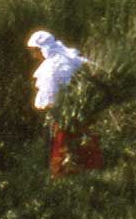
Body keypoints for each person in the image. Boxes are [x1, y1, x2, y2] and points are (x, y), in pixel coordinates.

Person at [28, 29, 103, 176]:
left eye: (34, 51)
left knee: (64, 149)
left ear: (41, 49)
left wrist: (54, 112)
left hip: (66, 117)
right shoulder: (70, 58)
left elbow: (50, 100)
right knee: (85, 146)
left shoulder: (52, 67)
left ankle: (65, 180)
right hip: (83, 114)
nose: (33, 56)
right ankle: (90, 176)